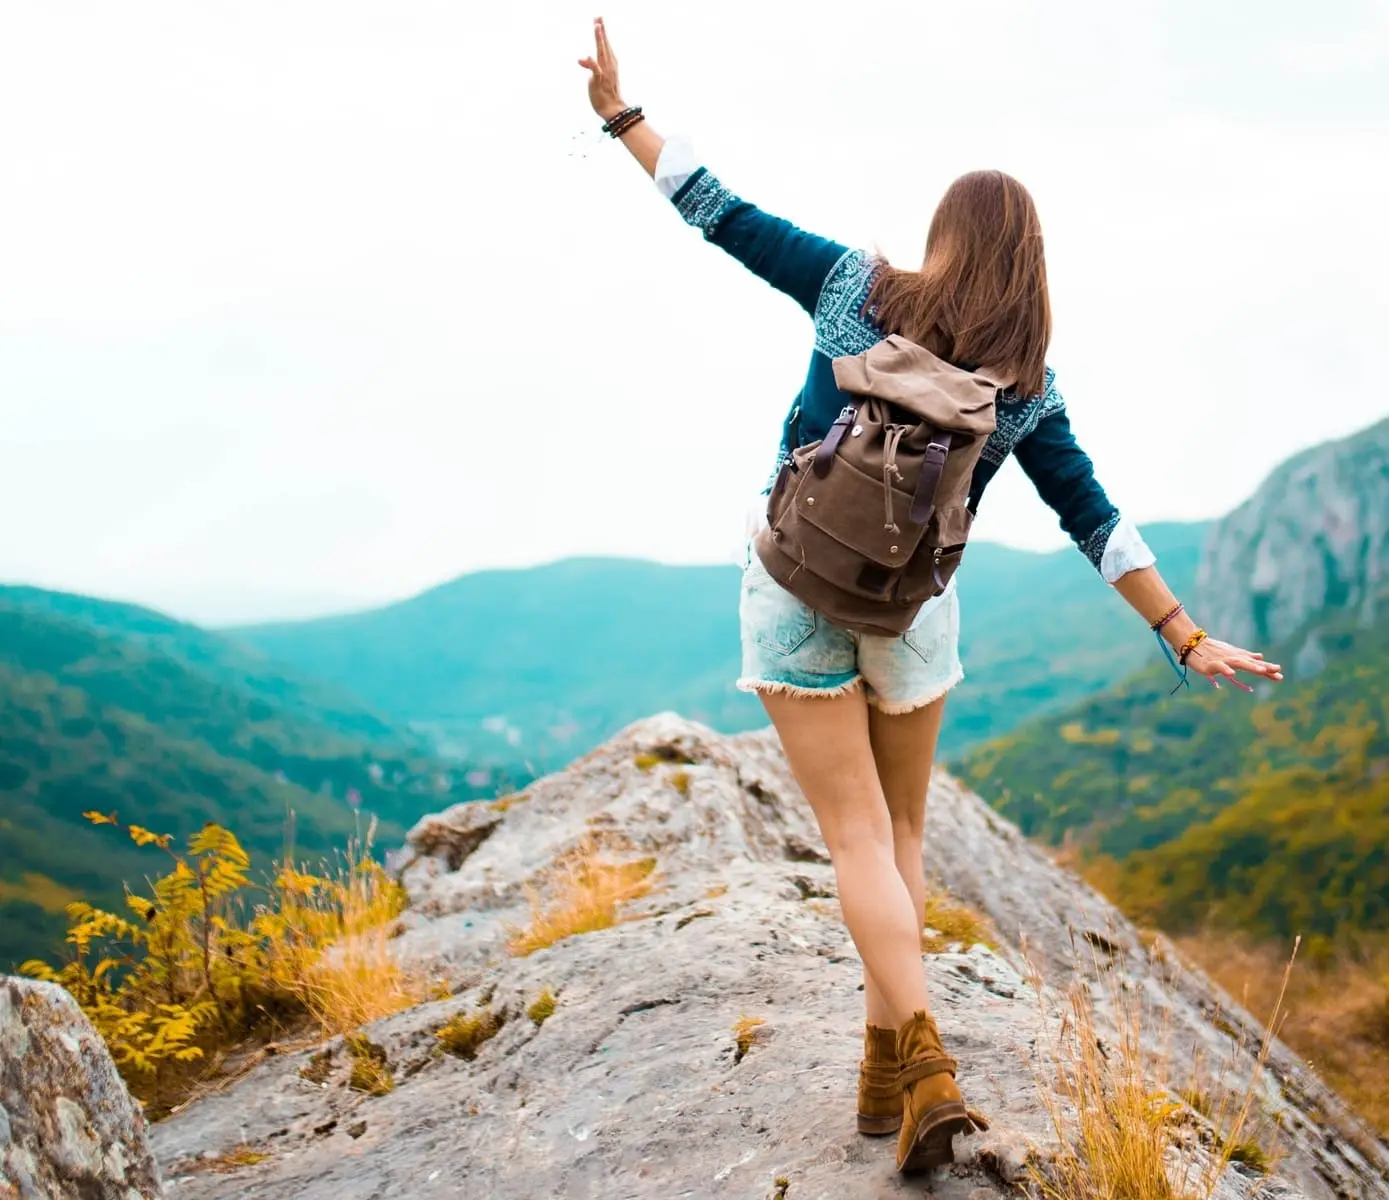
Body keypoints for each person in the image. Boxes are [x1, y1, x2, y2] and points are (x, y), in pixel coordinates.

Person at [578, 17, 1284, 1173]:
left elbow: (715, 207)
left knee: (852, 838)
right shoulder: (1026, 387)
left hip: (795, 586)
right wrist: (1183, 632)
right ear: (1033, 261)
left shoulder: (857, 288)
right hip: (914, 616)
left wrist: (619, 117)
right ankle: (885, 1075)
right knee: (900, 836)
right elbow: (1095, 522)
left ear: (946, 238)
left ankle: (926, 1069)